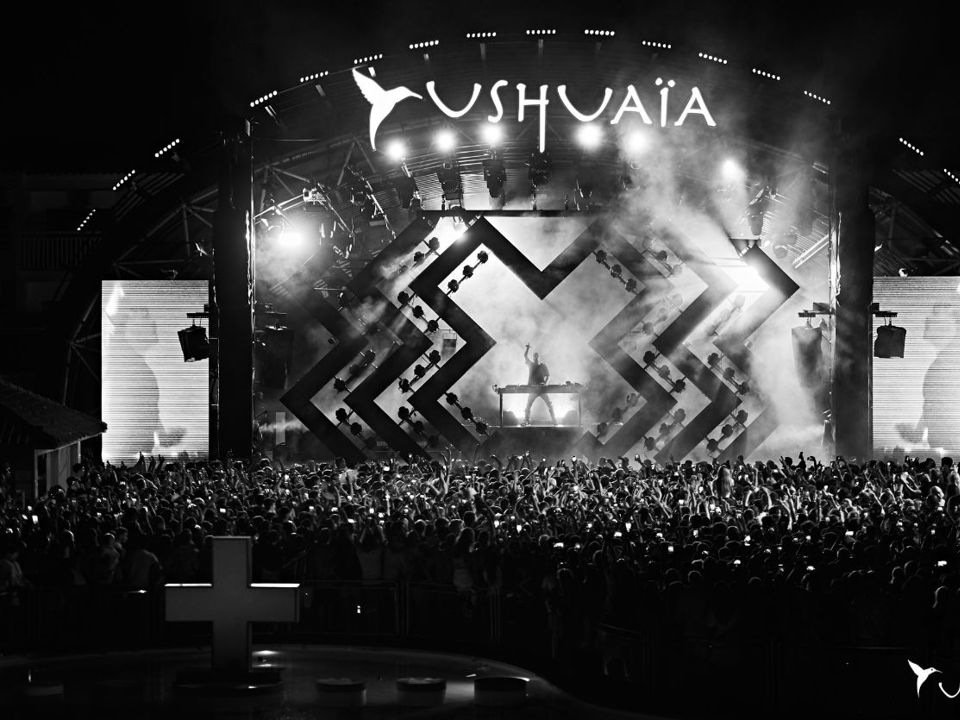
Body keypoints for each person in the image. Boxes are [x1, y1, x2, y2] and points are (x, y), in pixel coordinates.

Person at [523, 344, 557, 426]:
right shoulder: (531, 364)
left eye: (536, 356)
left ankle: (554, 420)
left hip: (542, 388)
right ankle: (526, 420)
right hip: (533, 388)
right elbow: (525, 356)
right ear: (533, 357)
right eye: (534, 356)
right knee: (528, 405)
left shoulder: (542, 366)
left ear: (538, 357)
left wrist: (544, 383)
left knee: (549, 404)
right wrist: (527, 348)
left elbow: (548, 376)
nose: (535, 358)